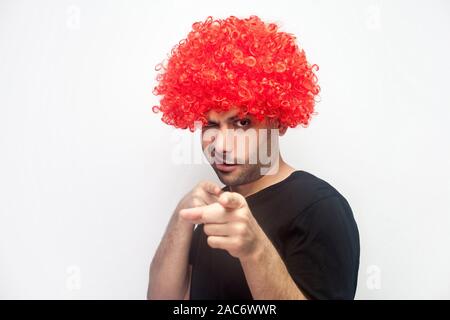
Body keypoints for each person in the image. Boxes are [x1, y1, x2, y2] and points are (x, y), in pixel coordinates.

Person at [147, 15, 359, 300]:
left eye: (242, 123)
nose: (221, 144)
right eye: (211, 125)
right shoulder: (215, 210)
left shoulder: (320, 208)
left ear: (279, 122)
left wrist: (254, 250)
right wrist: (181, 219)